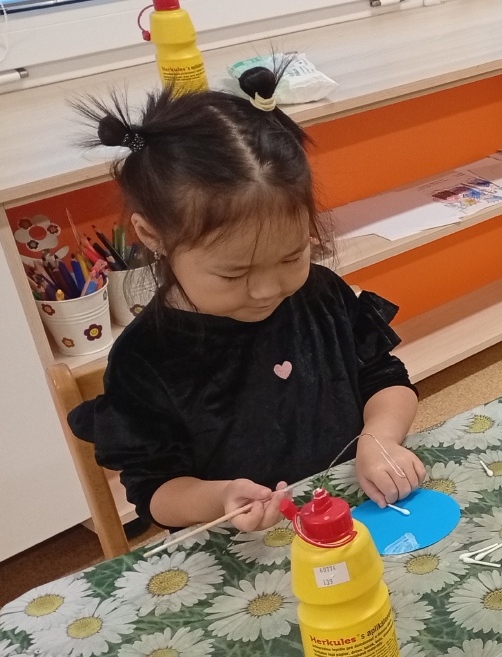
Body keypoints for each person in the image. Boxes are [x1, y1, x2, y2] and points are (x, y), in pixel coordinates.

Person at [70, 67, 424, 533]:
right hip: (242, 544)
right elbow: (155, 491)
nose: (267, 290)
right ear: (153, 236)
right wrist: (219, 498)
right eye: (233, 273)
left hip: (353, 515)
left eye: (291, 256)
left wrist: (380, 438)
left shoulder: (320, 293)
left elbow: (386, 379)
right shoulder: (146, 358)